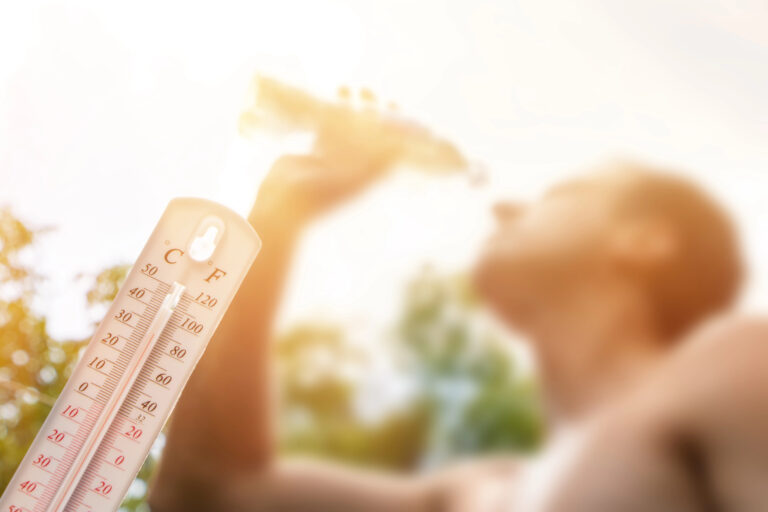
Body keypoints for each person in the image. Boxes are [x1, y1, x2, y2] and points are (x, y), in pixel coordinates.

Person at [148, 152, 765, 511]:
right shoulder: (479, 493)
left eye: (564, 193)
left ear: (645, 240)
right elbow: (207, 491)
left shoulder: (735, 367)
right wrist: (273, 227)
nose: (505, 206)